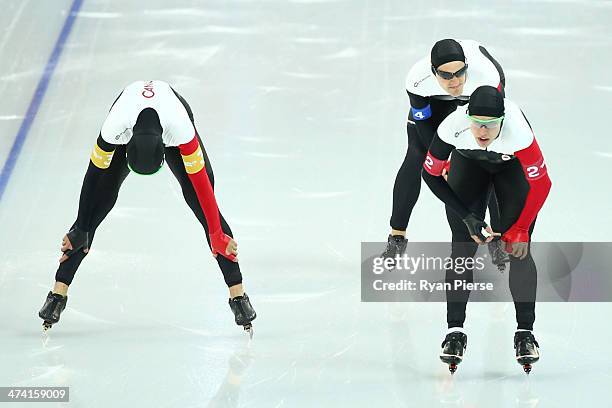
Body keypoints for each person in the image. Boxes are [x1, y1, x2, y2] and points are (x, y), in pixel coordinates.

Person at [38, 80, 256, 336]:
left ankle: (238, 295)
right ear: (125, 149)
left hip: (171, 122)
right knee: (97, 205)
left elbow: (203, 189)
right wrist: (82, 228)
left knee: (206, 212)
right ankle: (58, 292)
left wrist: (217, 233)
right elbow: (93, 176)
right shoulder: (114, 127)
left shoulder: (181, 129)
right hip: (132, 125)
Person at [421, 85, 551, 373]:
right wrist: (467, 216)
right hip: (469, 164)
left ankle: (525, 332)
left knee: (518, 250)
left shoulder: (518, 132)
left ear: (502, 121)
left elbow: (542, 184)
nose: (482, 131)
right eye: (477, 123)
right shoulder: (452, 126)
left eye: (490, 126)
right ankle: (454, 330)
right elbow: (429, 174)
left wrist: (521, 228)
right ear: (467, 116)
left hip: (511, 167)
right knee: (462, 248)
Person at [384, 39, 508, 268]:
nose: (455, 81)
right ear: (433, 72)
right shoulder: (417, 80)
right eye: (446, 75)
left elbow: (492, 129)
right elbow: (424, 127)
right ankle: (397, 237)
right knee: (417, 156)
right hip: (435, 100)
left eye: (460, 72)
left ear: (467, 66)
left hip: (478, 97)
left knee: (488, 160)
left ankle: (498, 237)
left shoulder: (487, 76)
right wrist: (442, 160)